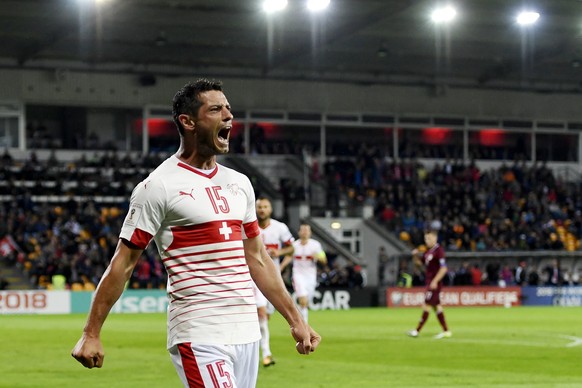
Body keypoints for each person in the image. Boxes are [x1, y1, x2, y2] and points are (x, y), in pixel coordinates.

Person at [71, 79, 321, 388]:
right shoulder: (158, 186)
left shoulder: (240, 183)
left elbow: (258, 259)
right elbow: (123, 264)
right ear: (187, 122)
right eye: (216, 109)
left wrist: (296, 320)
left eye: (228, 109)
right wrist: (91, 333)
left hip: (246, 333)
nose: (228, 116)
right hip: (199, 332)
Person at [253, 197, 295, 367]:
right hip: (253, 277)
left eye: (265, 206)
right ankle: (266, 354)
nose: (262, 209)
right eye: (259, 207)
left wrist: (280, 253)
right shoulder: (249, 226)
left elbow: (292, 248)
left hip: (273, 277)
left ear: (270, 209)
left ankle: (256, 349)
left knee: (264, 318)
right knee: (261, 313)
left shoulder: (280, 227)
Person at [407, 229, 451, 339]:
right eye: (426, 238)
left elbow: (444, 268)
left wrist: (435, 281)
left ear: (435, 238)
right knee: (437, 307)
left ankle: (417, 331)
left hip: (434, 283)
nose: (427, 240)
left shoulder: (438, 251)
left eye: (429, 238)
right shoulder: (428, 252)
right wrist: (415, 256)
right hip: (429, 282)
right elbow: (419, 264)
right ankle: (446, 331)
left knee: (427, 305)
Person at [281, 223, 327, 323]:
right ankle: (304, 324)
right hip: (298, 275)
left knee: (306, 301)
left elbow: (324, 260)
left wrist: (318, 257)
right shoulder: (294, 245)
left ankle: (301, 317)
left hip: (311, 276)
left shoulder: (316, 245)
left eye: (307, 230)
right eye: (303, 230)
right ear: (299, 232)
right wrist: (281, 267)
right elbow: (288, 256)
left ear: (310, 233)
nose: (305, 232)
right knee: (303, 300)